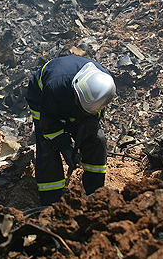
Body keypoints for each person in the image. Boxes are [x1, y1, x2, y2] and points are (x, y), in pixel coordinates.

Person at [26, 55, 116, 206]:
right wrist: (64, 146)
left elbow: (98, 112)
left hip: (77, 103)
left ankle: (95, 192)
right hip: (43, 98)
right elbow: (48, 122)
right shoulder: (55, 85)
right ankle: (51, 201)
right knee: (47, 145)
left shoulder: (104, 86)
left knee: (97, 139)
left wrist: (88, 128)